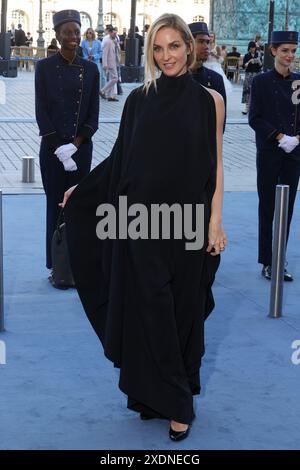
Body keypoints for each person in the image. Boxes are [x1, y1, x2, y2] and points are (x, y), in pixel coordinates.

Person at [61, 13, 226, 442]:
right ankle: (175, 405)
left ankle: (170, 391)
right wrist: (82, 191)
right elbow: (120, 162)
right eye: (158, 48)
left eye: (174, 46)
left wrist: (215, 222)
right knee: (151, 312)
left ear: (189, 47)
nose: (166, 55)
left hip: (189, 224)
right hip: (141, 224)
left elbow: (217, 166)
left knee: (184, 313)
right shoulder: (139, 100)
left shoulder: (211, 100)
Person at [35, 9, 99, 281]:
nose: (73, 36)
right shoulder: (44, 68)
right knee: (54, 206)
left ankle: (77, 265)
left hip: (80, 151)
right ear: (57, 34)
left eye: (76, 31)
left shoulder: (91, 69)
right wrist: (58, 148)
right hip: (52, 152)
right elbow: (42, 111)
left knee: (78, 207)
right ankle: (55, 267)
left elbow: (93, 115)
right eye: (68, 32)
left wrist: (75, 145)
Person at [249, 30, 300, 281]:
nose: (290, 55)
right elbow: (254, 118)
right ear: (273, 51)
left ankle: (280, 259)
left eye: (293, 50)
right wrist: (280, 137)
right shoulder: (259, 82)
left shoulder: (299, 82)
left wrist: (296, 139)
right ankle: (267, 261)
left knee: (287, 208)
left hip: (293, 154)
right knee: (267, 206)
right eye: (284, 50)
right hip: (269, 152)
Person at [188, 22, 226, 130]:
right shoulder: (176, 78)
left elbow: (220, 124)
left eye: (208, 42)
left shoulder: (216, 79)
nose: (206, 47)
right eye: (200, 41)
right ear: (188, 44)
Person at [241, 41, 262, 115]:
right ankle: (247, 108)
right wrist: (249, 61)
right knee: (247, 90)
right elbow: (243, 66)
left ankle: (255, 108)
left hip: (257, 74)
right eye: (251, 48)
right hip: (249, 74)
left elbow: (261, 66)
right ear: (249, 48)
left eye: (254, 47)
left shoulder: (258, 55)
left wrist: (258, 61)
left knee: (256, 90)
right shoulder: (246, 55)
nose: (253, 49)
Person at [99, 26, 119, 102]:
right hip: (110, 63)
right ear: (110, 32)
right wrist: (105, 64)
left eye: (116, 33)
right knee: (115, 78)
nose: (115, 34)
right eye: (114, 33)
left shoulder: (113, 40)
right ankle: (102, 90)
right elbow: (105, 53)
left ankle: (111, 96)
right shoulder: (107, 41)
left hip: (114, 62)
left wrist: (116, 43)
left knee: (112, 79)